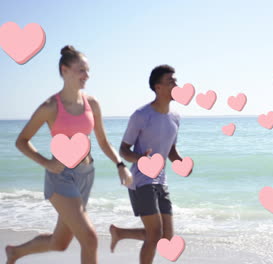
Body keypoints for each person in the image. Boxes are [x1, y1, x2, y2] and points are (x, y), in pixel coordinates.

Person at [5, 45, 133, 264]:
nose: (87, 75)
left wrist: (120, 165)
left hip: (86, 175)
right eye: (81, 70)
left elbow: (102, 141)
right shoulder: (50, 106)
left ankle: (15, 253)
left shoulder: (92, 104)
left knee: (60, 242)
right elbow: (22, 141)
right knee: (90, 239)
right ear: (65, 70)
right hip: (61, 177)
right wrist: (45, 162)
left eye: (87, 70)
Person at [109, 65, 190, 264]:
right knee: (154, 235)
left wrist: (181, 163)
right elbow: (123, 150)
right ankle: (120, 234)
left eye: (176, 81)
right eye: (170, 82)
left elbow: (170, 150)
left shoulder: (175, 118)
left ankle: (120, 233)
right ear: (158, 87)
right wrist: (140, 159)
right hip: (141, 180)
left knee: (166, 237)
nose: (176, 85)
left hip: (161, 180)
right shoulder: (141, 115)